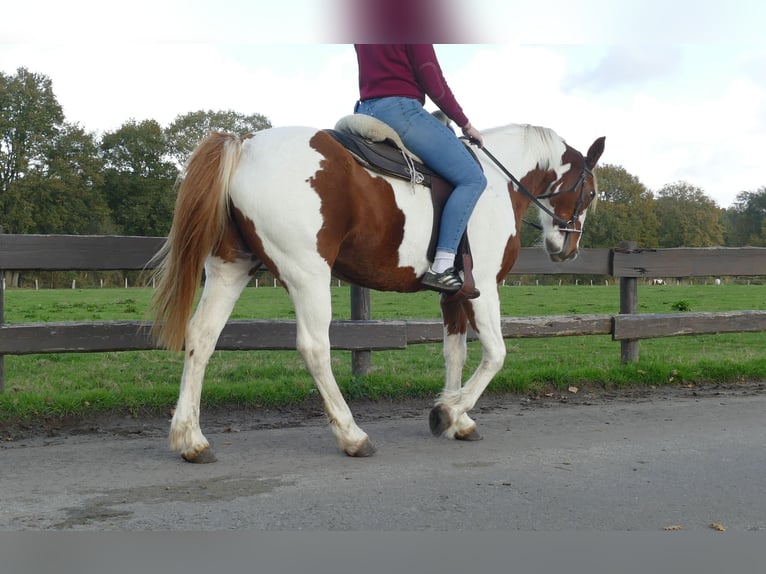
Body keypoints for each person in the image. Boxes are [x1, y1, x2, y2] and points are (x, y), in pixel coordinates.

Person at [353, 44, 487, 294]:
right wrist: (465, 124)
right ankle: (442, 266)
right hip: (400, 111)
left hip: (365, 109)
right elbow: (432, 79)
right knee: (472, 179)